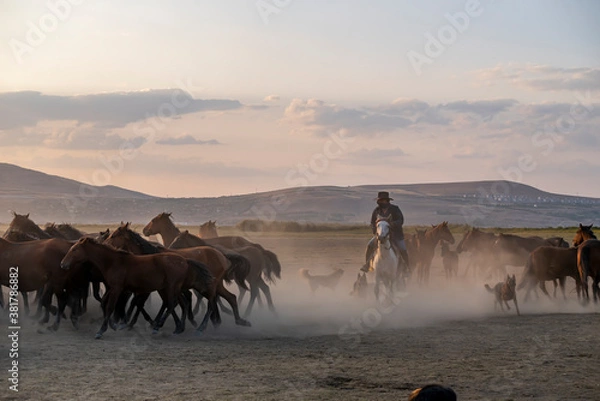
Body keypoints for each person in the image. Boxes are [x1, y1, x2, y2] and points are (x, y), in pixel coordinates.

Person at [361, 191, 409, 274]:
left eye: (383, 200)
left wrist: (391, 224)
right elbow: (372, 222)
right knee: (369, 245)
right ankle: (367, 264)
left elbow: (400, 220)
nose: (381, 202)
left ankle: (406, 268)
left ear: (387, 201)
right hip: (380, 235)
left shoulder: (395, 209)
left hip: (395, 235)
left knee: (403, 249)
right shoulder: (376, 210)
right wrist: (375, 230)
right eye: (380, 200)